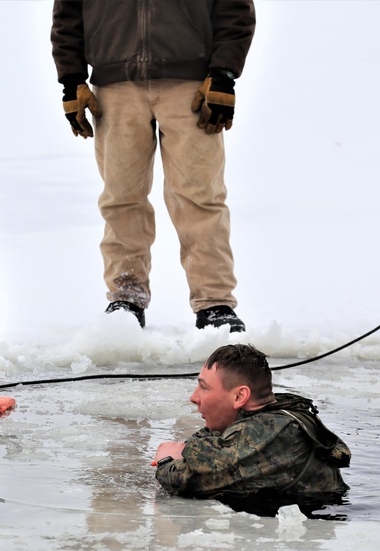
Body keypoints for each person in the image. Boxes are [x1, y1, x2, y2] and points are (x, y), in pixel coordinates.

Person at [50, 1, 255, 332]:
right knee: (121, 196)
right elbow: (67, 14)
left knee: (200, 197)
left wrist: (223, 75)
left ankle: (214, 302)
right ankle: (126, 298)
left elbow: (235, 8)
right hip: (114, 85)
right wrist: (71, 79)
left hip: (192, 84)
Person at [153, 344, 350, 506]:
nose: (194, 397)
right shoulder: (261, 418)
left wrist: (166, 461)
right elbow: (210, 439)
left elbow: (187, 481)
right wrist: (186, 450)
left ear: (239, 396)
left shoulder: (272, 430)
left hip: (310, 523)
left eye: (204, 388)